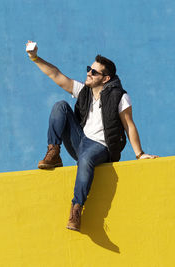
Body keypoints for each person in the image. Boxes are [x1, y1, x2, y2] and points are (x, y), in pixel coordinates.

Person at [26, 41, 158, 231]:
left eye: (94, 72)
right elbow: (55, 75)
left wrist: (139, 154)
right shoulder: (84, 92)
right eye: (89, 69)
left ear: (105, 78)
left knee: (86, 157)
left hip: (102, 148)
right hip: (80, 142)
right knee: (60, 106)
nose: (89, 73)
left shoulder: (120, 97)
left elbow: (129, 125)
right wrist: (35, 57)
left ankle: (76, 209)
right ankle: (53, 152)